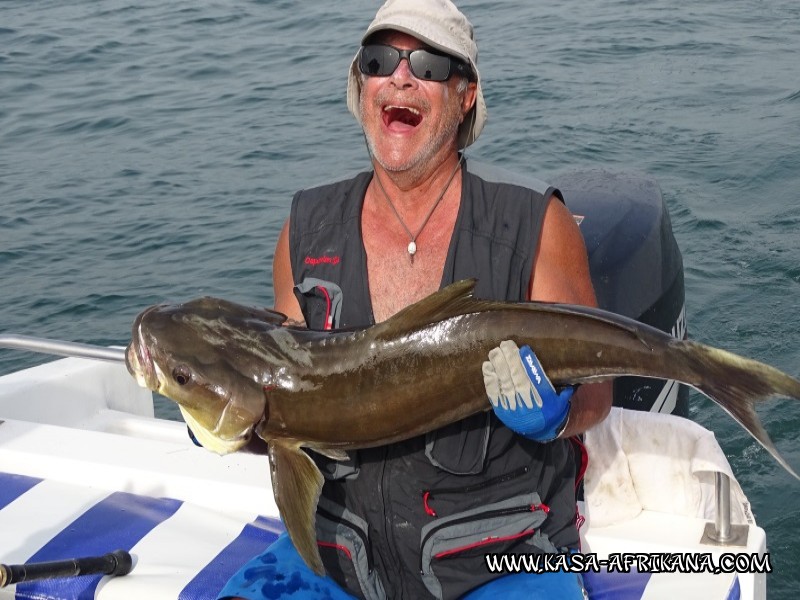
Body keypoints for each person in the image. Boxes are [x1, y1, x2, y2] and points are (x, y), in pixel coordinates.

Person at [219, 0, 612, 598]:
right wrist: (224, 413)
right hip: (340, 557)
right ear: (360, 88)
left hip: (502, 556)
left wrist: (558, 415)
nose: (399, 76)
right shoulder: (305, 229)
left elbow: (598, 394)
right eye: (379, 60)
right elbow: (285, 407)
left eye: (427, 65)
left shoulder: (537, 227)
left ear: (466, 96)